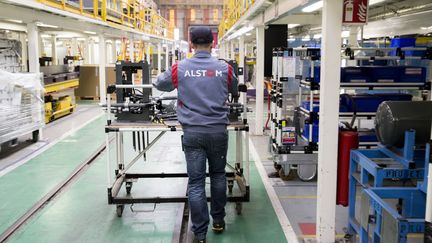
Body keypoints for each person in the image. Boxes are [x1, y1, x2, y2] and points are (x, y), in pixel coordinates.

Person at [153, 26, 238, 243]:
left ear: (191, 44)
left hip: (193, 134)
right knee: (218, 176)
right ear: (212, 44)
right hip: (218, 131)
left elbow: (159, 84)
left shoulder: (179, 68)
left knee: (196, 182)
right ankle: (218, 221)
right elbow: (234, 88)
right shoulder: (224, 68)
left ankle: (200, 233)